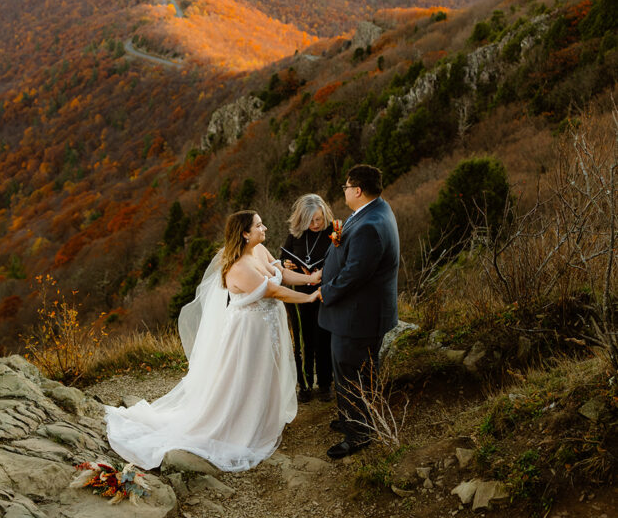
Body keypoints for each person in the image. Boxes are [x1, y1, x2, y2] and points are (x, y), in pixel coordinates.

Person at [105, 210, 321, 473]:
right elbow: (273, 290)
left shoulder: (260, 251)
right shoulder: (238, 267)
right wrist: (308, 298)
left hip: (269, 327)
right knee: (247, 376)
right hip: (249, 331)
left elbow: (281, 275)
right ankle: (240, 424)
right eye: (258, 225)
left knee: (268, 372)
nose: (264, 228)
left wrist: (310, 279)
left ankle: (264, 417)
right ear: (245, 233)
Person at [318, 164, 400, 459]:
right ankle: (354, 417)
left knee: (350, 372)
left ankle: (358, 434)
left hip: (358, 316)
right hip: (363, 312)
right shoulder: (376, 211)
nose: (344, 191)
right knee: (357, 370)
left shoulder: (369, 225)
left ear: (357, 190)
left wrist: (326, 290)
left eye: (346, 186)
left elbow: (355, 273)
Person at [280, 194, 334, 401]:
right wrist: (287, 264)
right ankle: (304, 384)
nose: (315, 224)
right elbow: (283, 257)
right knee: (305, 338)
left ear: (325, 215)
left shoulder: (332, 232)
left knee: (323, 336)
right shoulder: (296, 234)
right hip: (300, 293)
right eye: (310, 220)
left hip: (324, 292)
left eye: (318, 219)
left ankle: (324, 383)